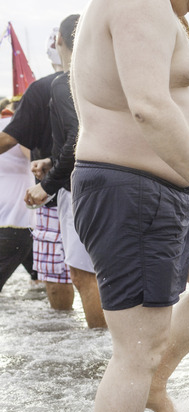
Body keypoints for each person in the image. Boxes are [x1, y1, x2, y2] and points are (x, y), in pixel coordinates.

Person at [70, 0, 189, 412]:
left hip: (160, 191)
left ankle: (153, 383)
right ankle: (145, 376)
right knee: (136, 351)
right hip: (135, 190)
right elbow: (148, 106)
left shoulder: (158, 11)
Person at [23, 15, 106, 328]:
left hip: (81, 189)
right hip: (110, 182)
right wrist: (51, 161)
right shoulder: (105, 79)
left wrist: (48, 185)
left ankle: (99, 361)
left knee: (85, 276)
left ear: (60, 41)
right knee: (104, 275)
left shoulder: (67, 81)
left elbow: (77, 136)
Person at [0, 27, 74, 310]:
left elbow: (9, 140)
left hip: (50, 195)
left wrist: (48, 177)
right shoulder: (111, 83)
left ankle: (70, 345)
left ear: (57, 44)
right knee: (96, 275)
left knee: (64, 277)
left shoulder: (43, 88)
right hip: (102, 189)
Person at [0, 100, 37, 292]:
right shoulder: (13, 127)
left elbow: (34, 158)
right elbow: (35, 158)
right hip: (16, 221)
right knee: (40, 277)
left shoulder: (11, 127)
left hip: (14, 221)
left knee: (40, 275)